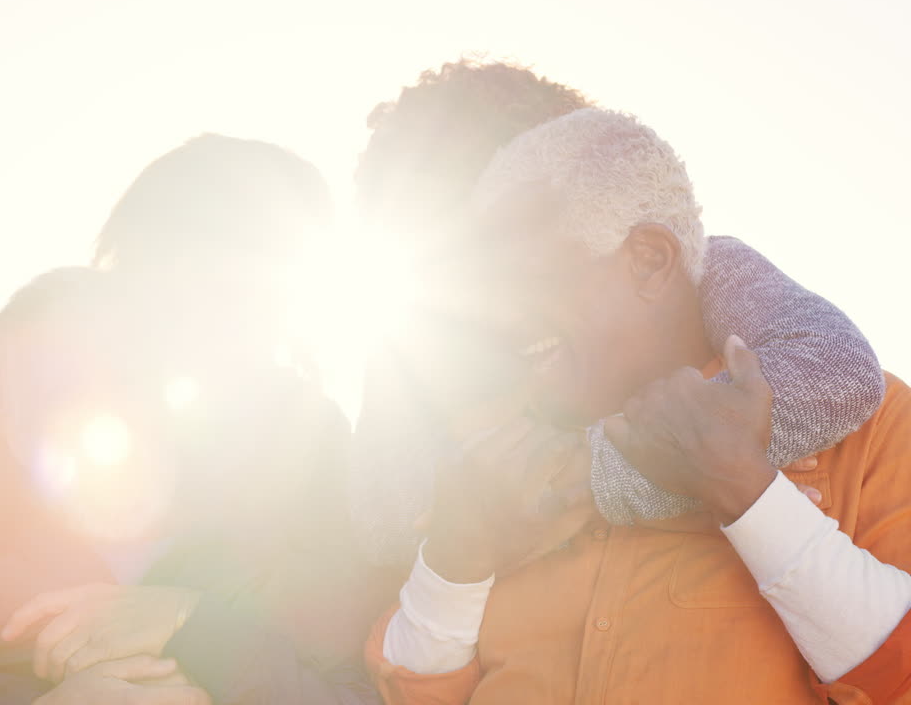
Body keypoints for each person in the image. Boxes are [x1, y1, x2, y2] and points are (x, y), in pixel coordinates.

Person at [364, 108, 911, 703]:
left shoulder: (869, 425)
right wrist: (456, 555)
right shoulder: (485, 455)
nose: (496, 316)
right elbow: (416, 691)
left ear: (650, 259)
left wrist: (747, 492)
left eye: (520, 278)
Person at [0, 134, 393, 705]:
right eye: (205, 246)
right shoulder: (13, 361)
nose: (231, 281)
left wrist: (184, 621)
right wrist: (95, 640)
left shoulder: (309, 433)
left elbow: (333, 618)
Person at [348, 59, 886, 569]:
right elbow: (381, 522)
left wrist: (592, 475)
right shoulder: (412, 339)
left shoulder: (699, 263)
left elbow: (832, 369)